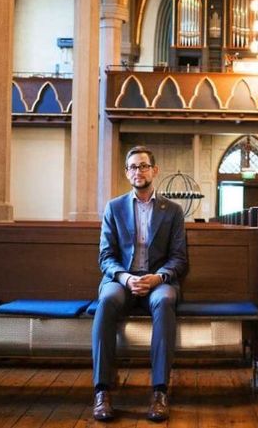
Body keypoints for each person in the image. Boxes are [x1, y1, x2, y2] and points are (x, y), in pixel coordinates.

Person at [92, 146, 187, 422]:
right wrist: (125, 277)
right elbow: (106, 256)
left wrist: (158, 277)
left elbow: (179, 258)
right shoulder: (114, 207)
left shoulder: (173, 210)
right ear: (127, 172)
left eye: (144, 166)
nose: (138, 171)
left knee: (165, 300)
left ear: (154, 170)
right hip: (122, 279)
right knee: (107, 300)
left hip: (158, 281)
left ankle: (159, 392)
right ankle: (102, 391)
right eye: (133, 167)